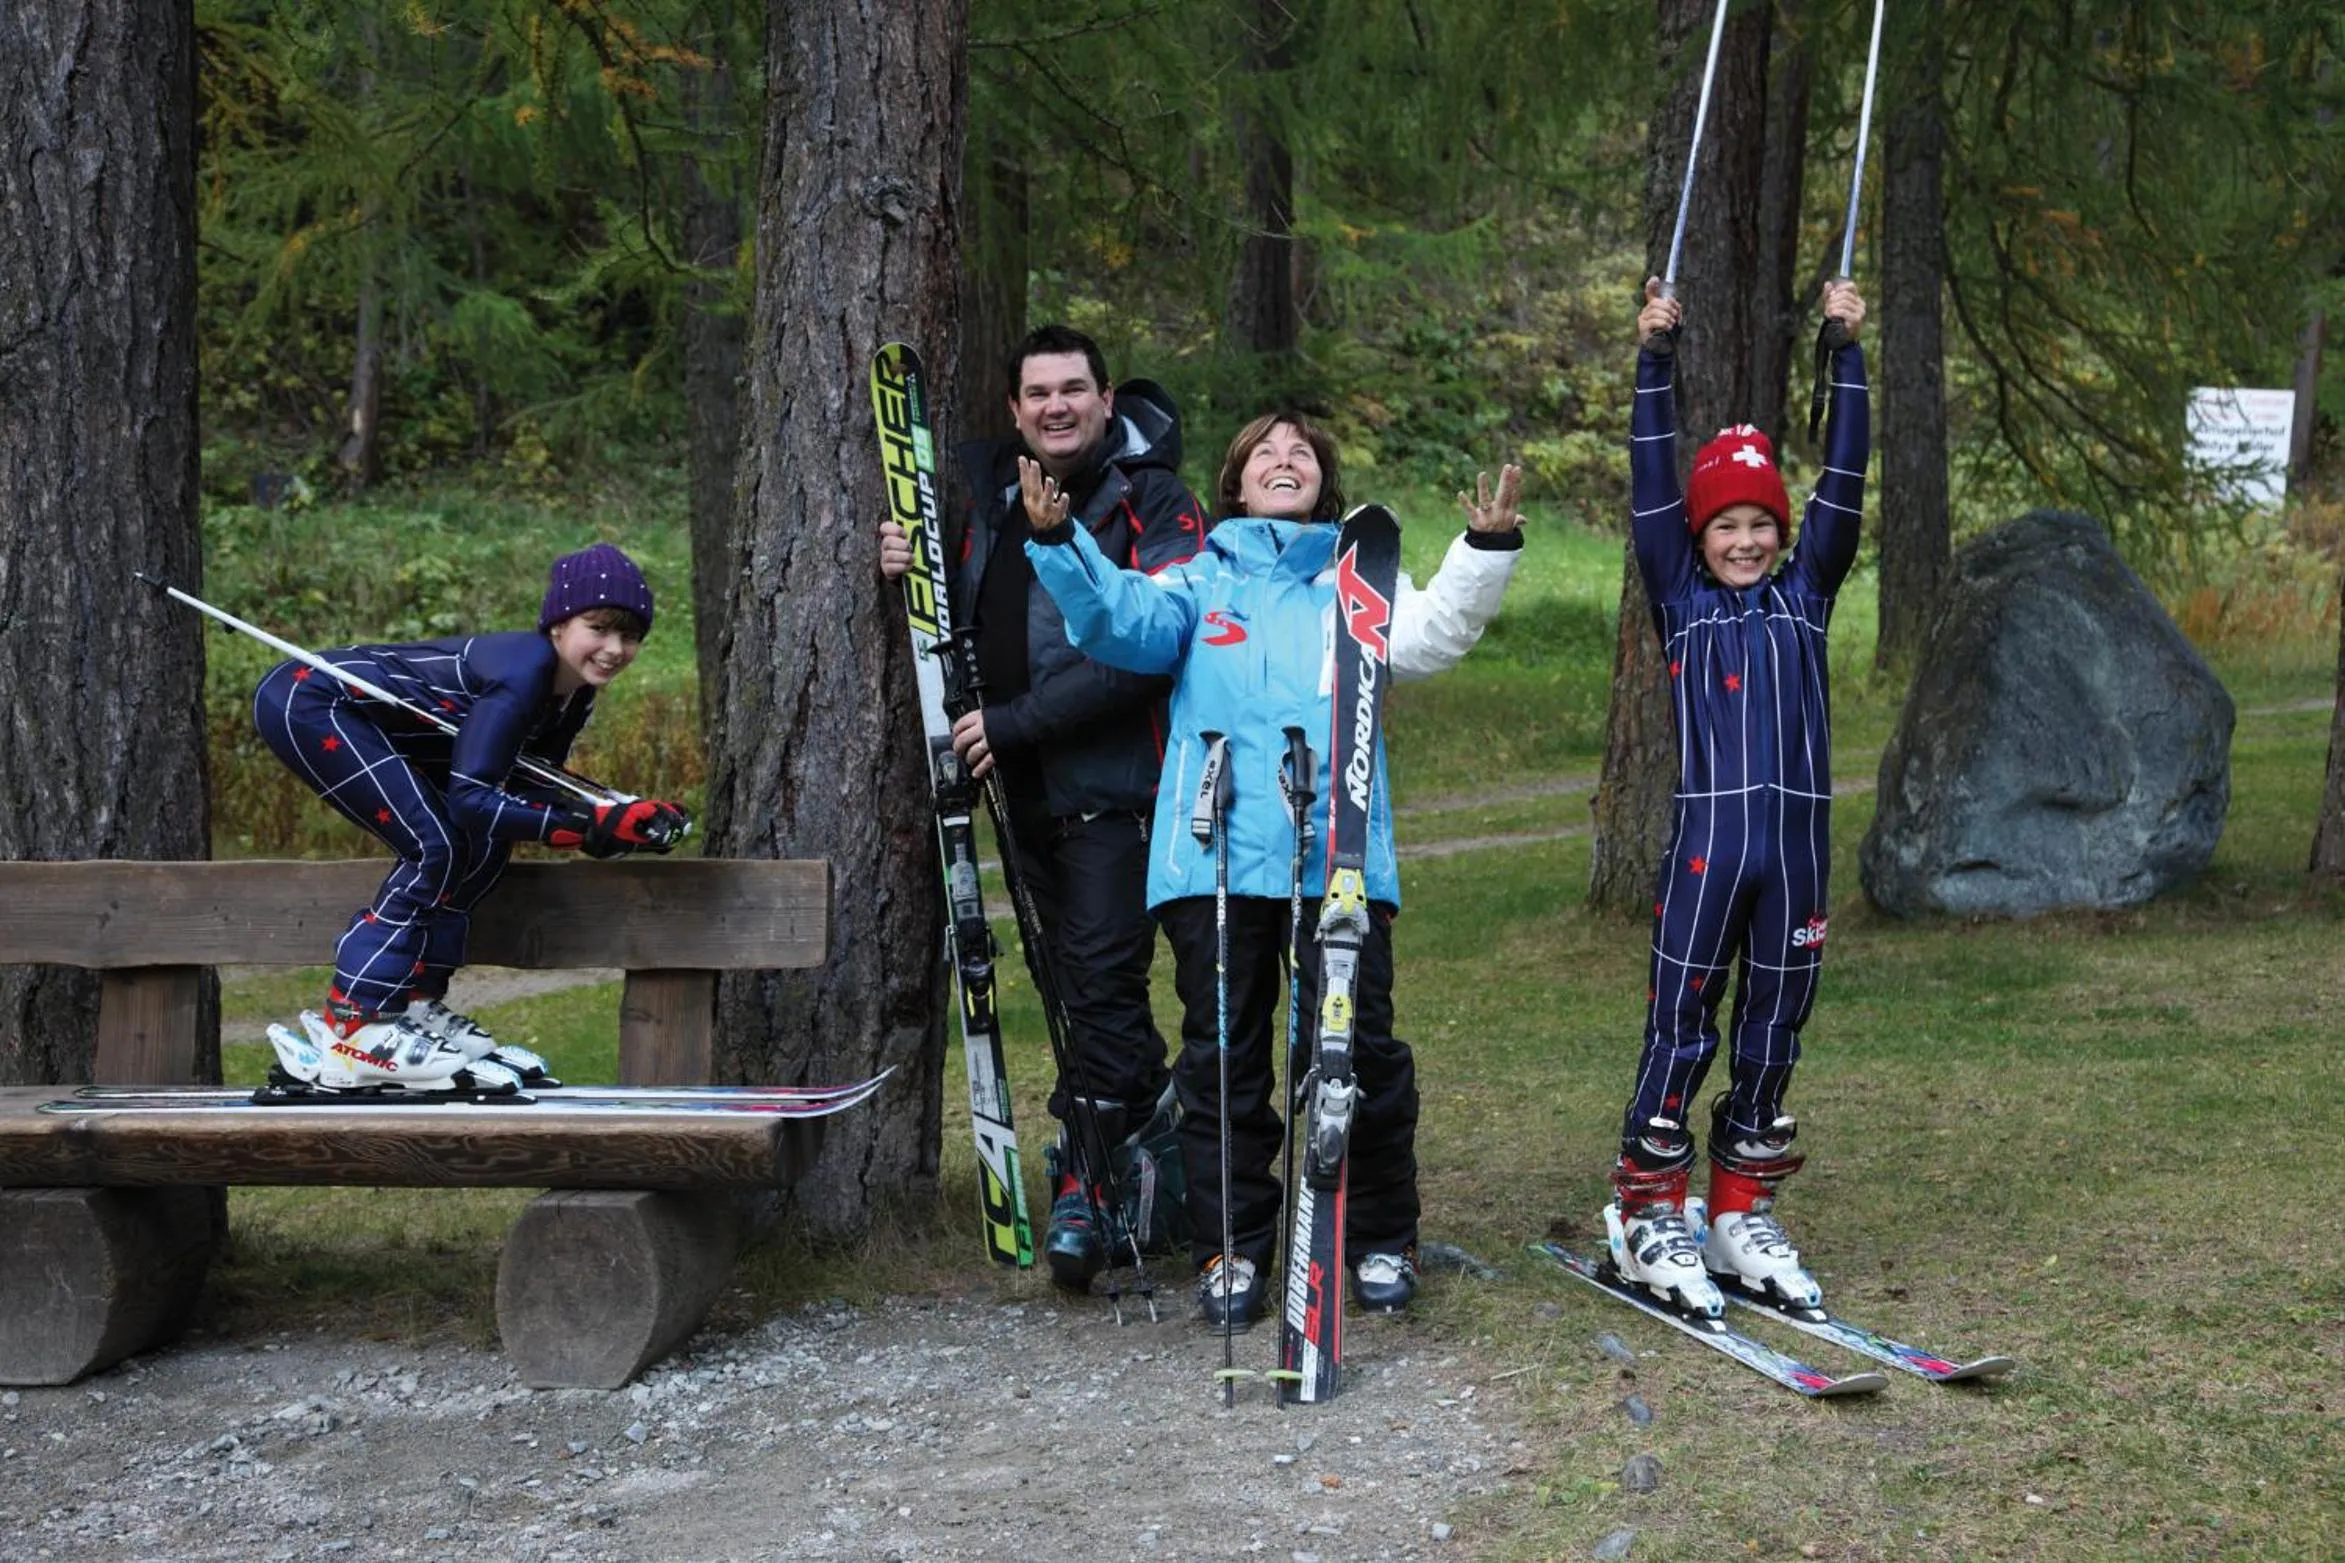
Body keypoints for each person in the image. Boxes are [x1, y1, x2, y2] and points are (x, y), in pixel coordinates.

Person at [1024, 408, 1525, 1328]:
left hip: (1336, 860)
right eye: (1265, 451)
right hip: (1213, 860)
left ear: (1322, 482)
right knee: (1223, 1062)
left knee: (1355, 1052)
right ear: (1237, 480)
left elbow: (1432, 634)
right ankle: (1234, 1246)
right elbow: (1113, 619)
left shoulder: (1355, 585)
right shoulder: (1196, 580)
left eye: (1300, 452)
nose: (1283, 459)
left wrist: (1483, 549)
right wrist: (1058, 540)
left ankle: (1378, 1232)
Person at [878, 324, 1211, 1289]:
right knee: (1076, 988)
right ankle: (1145, 1163)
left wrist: (1016, 722)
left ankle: (1089, 1182)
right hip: (1018, 792)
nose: (1055, 405)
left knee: (1101, 983)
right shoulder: (987, 491)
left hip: (1117, 790)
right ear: (1015, 408)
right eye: (1037, 393)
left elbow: (1148, 648)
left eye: (1073, 389)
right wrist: (903, 560)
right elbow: (950, 599)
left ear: (1107, 401)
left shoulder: (1150, 498)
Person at [1600, 275, 1870, 1318]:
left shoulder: (1806, 597)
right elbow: (1650, 488)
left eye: (1762, 523)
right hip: (1707, 854)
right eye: (1728, 526)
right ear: (1700, 537)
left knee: (1774, 1027)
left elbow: (1845, 479)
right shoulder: (1680, 598)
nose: (1746, 540)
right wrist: (1652, 366)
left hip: (1793, 858)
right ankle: (1644, 1208)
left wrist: (1844, 354)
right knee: (1680, 1025)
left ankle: (1734, 1210)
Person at [253, 543, 689, 1093]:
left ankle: (413, 1010)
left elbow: (528, 786)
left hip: (369, 723)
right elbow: (472, 799)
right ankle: (357, 1026)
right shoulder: (526, 672)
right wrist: (586, 826)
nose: (614, 649)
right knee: (436, 845)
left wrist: (614, 818)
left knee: (482, 846)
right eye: (598, 628)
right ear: (557, 625)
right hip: (311, 699)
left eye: (630, 637)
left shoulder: (572, 694)